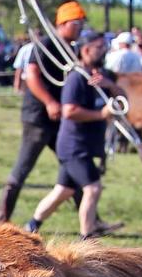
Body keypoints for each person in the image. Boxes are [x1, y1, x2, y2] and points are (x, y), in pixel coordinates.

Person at [23, 29, 123, 239]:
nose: (103, 50)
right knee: (93, 188)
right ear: (85, 50)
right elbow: (69, 111)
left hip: (84, 145)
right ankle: (87, 238)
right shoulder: (76, 79)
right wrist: (101, 114)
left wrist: (111, 86)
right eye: (98, 47)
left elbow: (124, 100)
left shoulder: (99, 77)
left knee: (63, 191)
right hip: (74, 146)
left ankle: (31, 226)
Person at [0, 29, 65, 221]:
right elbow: (31, 75)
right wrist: (50, 102)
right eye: (76, 23)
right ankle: (1, 220)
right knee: (22, 167)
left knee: (73, 166)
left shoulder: (67, 48)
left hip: (58, 119)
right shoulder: (46, 45)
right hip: (38, 118)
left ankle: (91, 221)